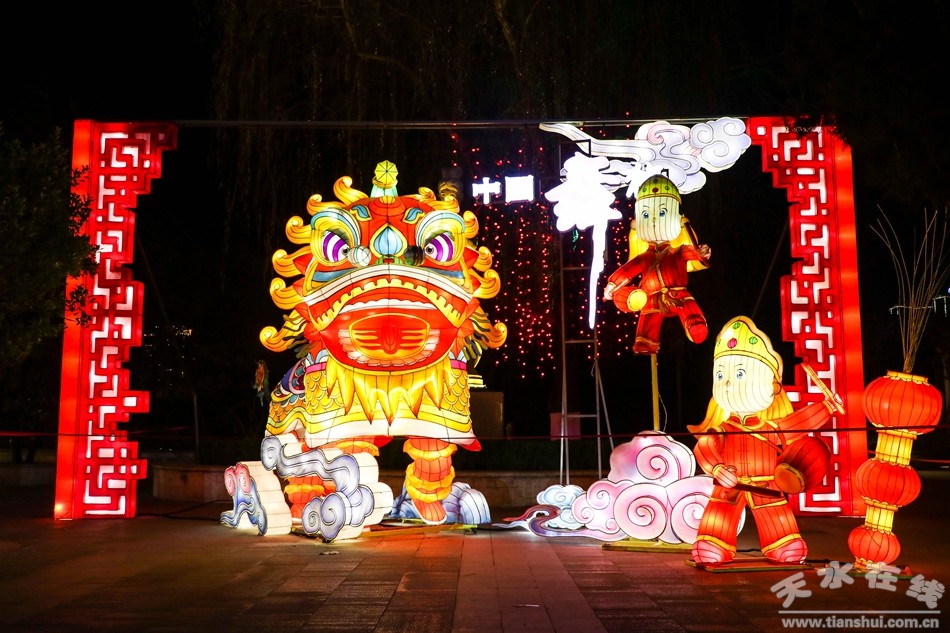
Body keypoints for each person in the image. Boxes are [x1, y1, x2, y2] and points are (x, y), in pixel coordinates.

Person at [688, 316, 837, 565]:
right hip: (729, 485)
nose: (728, 383)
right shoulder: (723, 429)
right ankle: (714, 543)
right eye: (721, 375)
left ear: (772, 387)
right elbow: (704, 446)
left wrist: (826, 407)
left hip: (766, 484)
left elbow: (800, 422)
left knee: (775, 515)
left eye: (740, 374)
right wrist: (717, 468)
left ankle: (782, 543)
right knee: (719, 514)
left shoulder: (770, 428)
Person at [603, 173, 709, 354]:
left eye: (661, 213)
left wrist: (700, 253)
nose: (653, 221)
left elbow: (692, 252)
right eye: (646, 215)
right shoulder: (644, 257)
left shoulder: (678, 251)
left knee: (688, 306)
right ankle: (646, 342)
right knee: (647, 320)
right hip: (651, 299)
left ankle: (695, 323)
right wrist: (612, 284)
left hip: (677, 294)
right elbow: (627, 270)